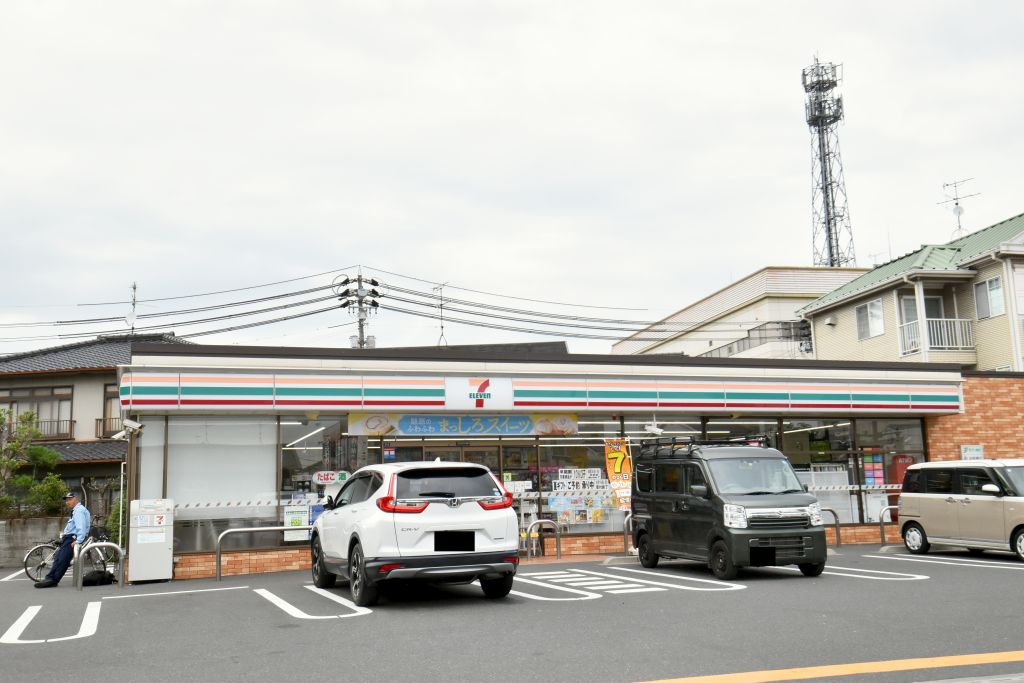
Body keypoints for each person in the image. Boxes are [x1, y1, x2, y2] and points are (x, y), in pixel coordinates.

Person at [34, 491, 91, 588]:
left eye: (69, 499)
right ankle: (50, 577)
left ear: (76, 499)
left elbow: (81, 527)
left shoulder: (79, 511)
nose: (67, 502)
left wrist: (78, 541)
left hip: (72, 538)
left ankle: (53, 580)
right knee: (58, 558)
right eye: (66, 500)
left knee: (63, 560)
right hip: (69, 538)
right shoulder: (76, 510)